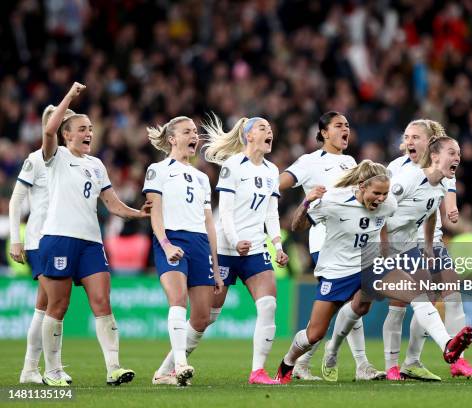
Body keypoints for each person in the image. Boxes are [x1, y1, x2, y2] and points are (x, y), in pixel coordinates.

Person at [274, 158, 472, 384]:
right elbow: (297, 226)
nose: (381, 199)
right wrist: (306, 203)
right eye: (376, 193)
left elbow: (405, 219)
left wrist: (394, 251)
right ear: (361, 186)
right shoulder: (332, 200)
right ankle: (288, 362)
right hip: (338, 271)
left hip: (371, 266)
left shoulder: (389, 204)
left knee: (418, 293)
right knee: (314, 334)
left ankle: (447, 345)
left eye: (385, 193)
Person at [38, 82, 150, 386]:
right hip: (59, 238)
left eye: (91, 128)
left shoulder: (96, 165)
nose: (89, 133)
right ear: (67, 134)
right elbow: (48, 131)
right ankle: (52, 370)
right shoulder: (56, 156)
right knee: (58, 306)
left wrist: (138, 213)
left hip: (90, 242)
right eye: (82, 128)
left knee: (102, 302)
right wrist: (69, 98)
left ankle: (114, 367)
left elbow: (112, 203)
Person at [280, 111, 384, 381]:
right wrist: (261, 188)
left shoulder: (351, 162)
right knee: (348, 302)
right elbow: (282, 182)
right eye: (338, 125)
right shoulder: (310, 161)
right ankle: (358, 364)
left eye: (347, 125)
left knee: (352, 303)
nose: (345, 129)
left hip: (353, 238)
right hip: (325, 238)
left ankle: (306, 361)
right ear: (324, 132)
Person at [383, 120, 472, 381]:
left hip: (430, 242)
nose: (410, 142)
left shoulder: (443, 168)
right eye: (407, 137)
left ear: (431, 142)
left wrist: (451, 210)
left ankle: (451, 360)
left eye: (416, 137)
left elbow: (442, 199)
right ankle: (394, 363)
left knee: (449, 292)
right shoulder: (397, 168)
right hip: (399, 242)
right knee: (400, 303)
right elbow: (382, 208)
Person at [202, 114, 289, 385]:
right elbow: (224, 213)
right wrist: (235, 239)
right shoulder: (232, 166)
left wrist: (278, 246)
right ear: (249, 135)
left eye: (270, 128)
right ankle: (173, 364)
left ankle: (257, 371)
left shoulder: (272, 170)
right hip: (228, 249)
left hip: (255, 249)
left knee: (268, 305)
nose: (269, 131)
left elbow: (271, 214)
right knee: (207, 317)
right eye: (263, 127)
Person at [140, 116, 224, 386]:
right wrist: (165, 244)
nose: (194, 136)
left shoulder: (202, 178)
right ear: (172, 139)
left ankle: (164, 372)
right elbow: (155, 211)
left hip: (200, 244)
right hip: (172, 239)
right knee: (177, 299)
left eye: (195, 132)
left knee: (201, 316)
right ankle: (180, 364)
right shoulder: (158, 169)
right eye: (187, 132)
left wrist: (216, 262)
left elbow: (209, 223)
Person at [9, 106, 75, 384]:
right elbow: (16, 201)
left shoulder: (74, 161)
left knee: (43, 306)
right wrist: (16, 239)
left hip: (62, 238)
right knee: (53, 305)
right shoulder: (36, 160)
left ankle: (30, 369)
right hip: (40, 240)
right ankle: (50, 368)